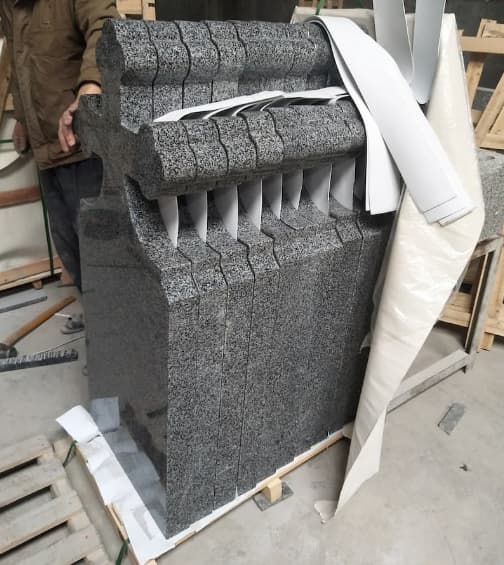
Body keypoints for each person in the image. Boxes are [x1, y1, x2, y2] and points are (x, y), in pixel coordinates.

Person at [0, 0, 118, 312]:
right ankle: (98, 320)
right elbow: (20, 59)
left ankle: (116, 327)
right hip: (46, 149)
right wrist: (23, 119)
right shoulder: (9, 5)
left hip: (84, 147)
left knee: (102, 252)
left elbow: (107, 26)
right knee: (70, 248)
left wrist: (92, 85)